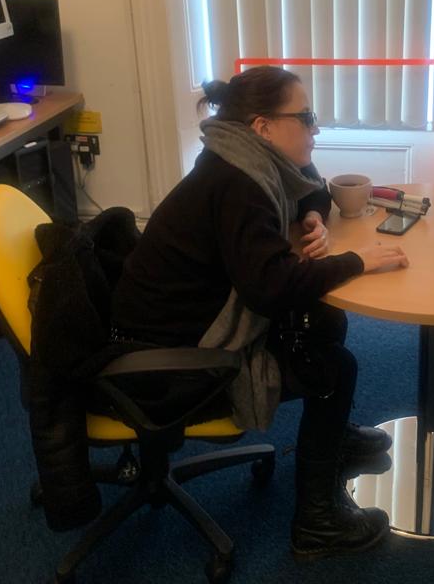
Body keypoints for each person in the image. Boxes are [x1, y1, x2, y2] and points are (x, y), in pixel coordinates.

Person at [111, 66, 409, 560]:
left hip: (170, 321)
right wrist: (357, 261)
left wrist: (311, 213)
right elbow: (270, 289)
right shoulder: (240, 184)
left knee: (326, 321)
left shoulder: (240, 158)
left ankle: (332, 438)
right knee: (333, 367)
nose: (316, 129)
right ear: (263, 126)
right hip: (170, 359)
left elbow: (310, 183)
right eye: (307, 117)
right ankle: (317, 523)